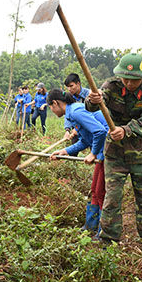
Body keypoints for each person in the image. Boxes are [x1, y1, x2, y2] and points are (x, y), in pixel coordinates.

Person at [86, 53, 142, 244]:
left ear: (141, 78)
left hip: (140, 155)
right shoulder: (111, 87)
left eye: (133, 80)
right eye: (125, 78)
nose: (128, 83)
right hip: (115, 154)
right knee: (112, 197)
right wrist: (94, 99)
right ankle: (108, 239)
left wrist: (125, 130)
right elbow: (91, 107)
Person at [47, 89, 108, 235]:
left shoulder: (75, 111)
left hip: (109, 150)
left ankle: (103, 231)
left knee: (101, 192)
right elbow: (85, 140)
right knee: (94, 189)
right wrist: (64, 151)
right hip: (101, 150)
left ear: (55, 103)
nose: (52, 110)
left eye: (50, 107)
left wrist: (93, 154)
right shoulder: (73, 113)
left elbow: (100, 131)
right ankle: (91, 226)